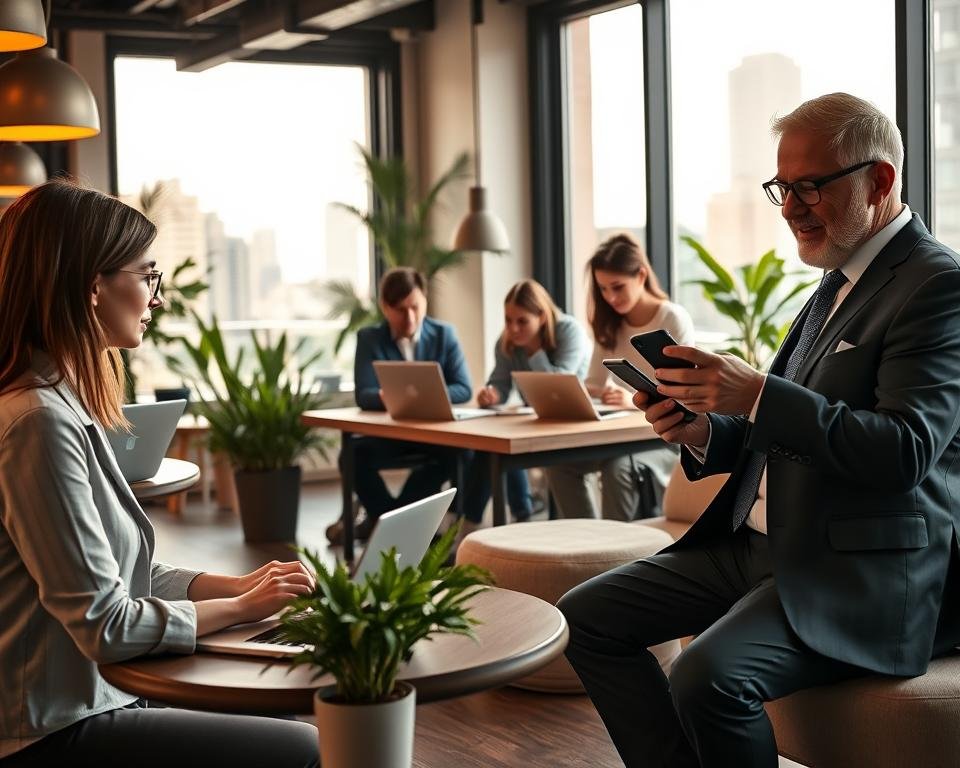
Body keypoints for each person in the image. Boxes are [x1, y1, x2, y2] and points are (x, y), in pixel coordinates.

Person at [558, 92, 960, 768]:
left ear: (880, 180)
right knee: (584, 619)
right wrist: (698, 432)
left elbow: (904, 451)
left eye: (809, 186)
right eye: (783, 188)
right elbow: (784, 431)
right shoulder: (838, 280)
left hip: (859, 569)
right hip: (759, 546)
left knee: (707, 678)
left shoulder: (935, 285)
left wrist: (757, 392)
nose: (792, 207)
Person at [0, 180, 318, 767]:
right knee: (308, 749)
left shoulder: (63, 403)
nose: (157, 296)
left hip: (99, 699)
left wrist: (244, 587)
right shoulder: (37, 424)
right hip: (47, 731)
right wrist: (244, 610)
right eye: (147, 275)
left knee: (283, 710)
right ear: (93, 285)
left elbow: (127, 575)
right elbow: (106, 624)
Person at [544, 233, 695, 520]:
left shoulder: (672, 318)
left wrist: (631, 400)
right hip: (617, 438)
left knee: (617, 468)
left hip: (665, 438)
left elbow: (686, 395)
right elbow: (594, 385)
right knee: (560, 465)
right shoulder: (610, 324)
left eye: (617, 287)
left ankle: (619, 556)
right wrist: (574, 394)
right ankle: (588, 549)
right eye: (602, 289)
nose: (610, 297)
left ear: (641, 276)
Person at [328, 266, 472, 544]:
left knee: (461, 455)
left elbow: (463, 387)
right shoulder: (369, 338)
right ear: (385, 307)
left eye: (415, 307)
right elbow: (364, 394)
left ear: (425, 301)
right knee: (351, 457)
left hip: (436, 435)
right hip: (389, 435)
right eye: (400, 309)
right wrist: (384, 396)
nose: (410, 317)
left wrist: (433, 394)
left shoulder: (445, 334)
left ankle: (386, 526)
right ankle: (400, 528)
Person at [458, 279, 592, 539]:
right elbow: (499, 384)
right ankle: (512, 516)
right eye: (508, 320)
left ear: (542, 316)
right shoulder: (507, 342)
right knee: (491, 446)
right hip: (538, 421)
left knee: (495, 450)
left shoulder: (569, 331)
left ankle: (469, 525)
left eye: (522, 321)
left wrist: (535, 350)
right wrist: (491, 395)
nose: (513, 328)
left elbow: (559, 386)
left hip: (576, 422)